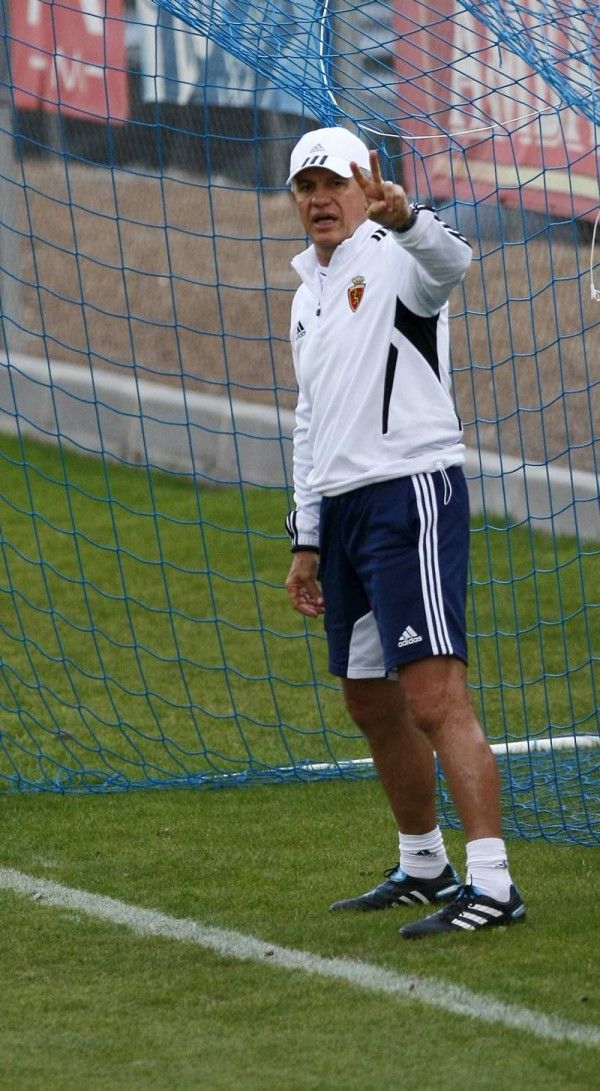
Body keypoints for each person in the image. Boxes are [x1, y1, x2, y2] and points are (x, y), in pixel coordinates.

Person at [283, 126, 525, 938]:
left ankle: (494, 882)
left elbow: (455, 262)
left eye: (335, 183)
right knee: (368, 699)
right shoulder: (304, 293)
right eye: (305, 187)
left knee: (430, 693)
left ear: (366, 185)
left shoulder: (400, 255)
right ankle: (424, 863)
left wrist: (408, 215)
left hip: (410, 493)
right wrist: (305, 537)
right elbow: (309, 421)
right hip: (344, 511)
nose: (320, 199)